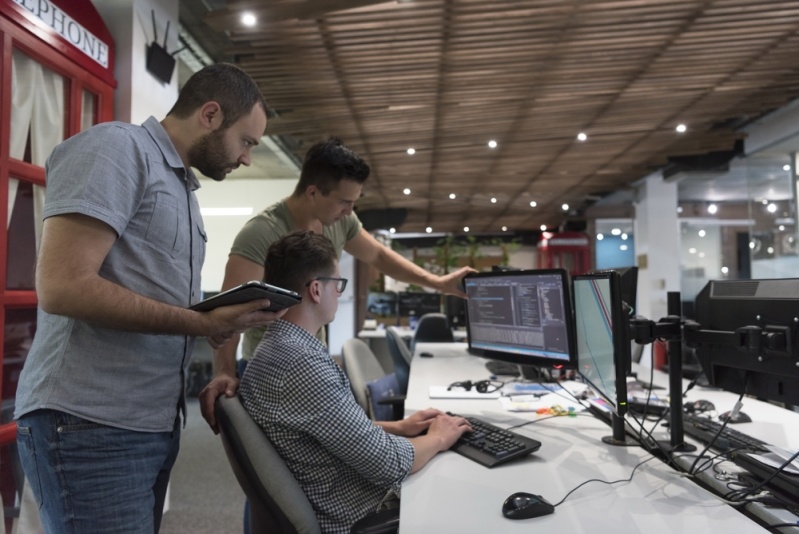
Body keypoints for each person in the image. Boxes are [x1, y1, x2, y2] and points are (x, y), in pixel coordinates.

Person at [14, 63, 287, 534]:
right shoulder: (116, 149)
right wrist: (202, 324)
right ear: (210, 114)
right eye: (247, 141)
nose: (246, 158)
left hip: (148, 422)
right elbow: (62, 286)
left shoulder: (182, 188)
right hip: (89, 422)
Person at [200, 137, 474, 430]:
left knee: (342, 435)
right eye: (344, 201)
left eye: (354, 202)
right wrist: (224, 371)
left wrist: (439, 283)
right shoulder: (261, 233)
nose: (349, 210)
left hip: (312, 358)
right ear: (313, 192)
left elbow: (379, 256)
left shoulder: (341, 221)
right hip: (274, 370)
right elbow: (230, 309)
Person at [239, 231, 471, 533]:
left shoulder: (276, 348)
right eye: (337, 284)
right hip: (358, 514)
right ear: (316, 290)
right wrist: (439, 437)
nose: (339, 292)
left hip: (335, 494)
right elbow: (388, 463)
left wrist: (399, 427)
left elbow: (328, 430)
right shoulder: (302, 364)